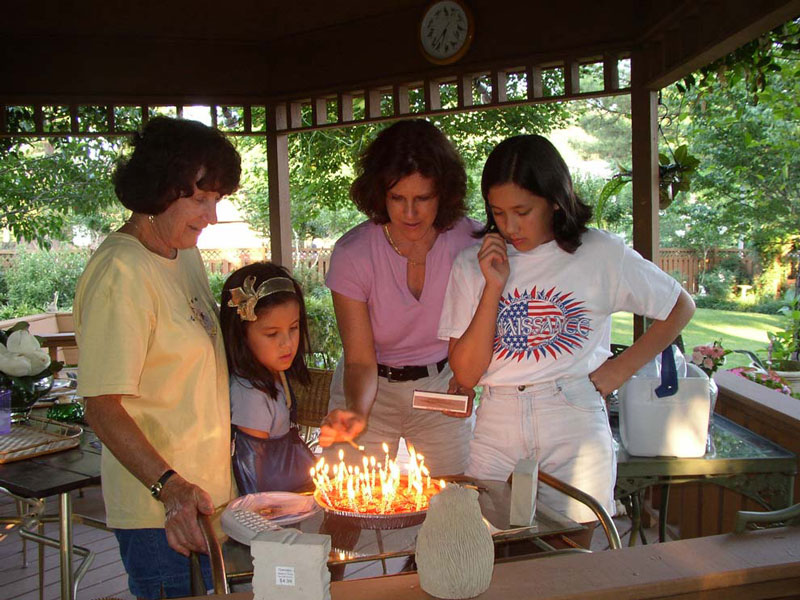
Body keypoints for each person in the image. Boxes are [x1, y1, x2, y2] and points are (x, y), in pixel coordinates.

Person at [438, 135, 695, 546]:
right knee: (482, 549)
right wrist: (493, 286)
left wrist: (619, 369)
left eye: (523, 211)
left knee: (571, 554)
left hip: (572, 411)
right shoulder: (474, 262)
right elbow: (466, 374)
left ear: (556, 199)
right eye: (499, 212)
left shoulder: (598, 253)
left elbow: (679, 306)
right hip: (498, 417)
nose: (510, 226)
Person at [74, 116, 241, 598]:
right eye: (201, 198)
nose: (211, 215)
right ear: (161, 190)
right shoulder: (121, 273)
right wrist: (170, 489)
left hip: (206, 501)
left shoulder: (180, 253)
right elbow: (102, 407)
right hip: (160, 514)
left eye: (217, 200)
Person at [318, 119, 480, 476]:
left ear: (444, 193)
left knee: (455, 502)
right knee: (348, 504)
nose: (410, 213)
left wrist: (468, 383)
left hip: (440, 384)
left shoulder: (470, 242)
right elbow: (360, 360)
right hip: (368, 386)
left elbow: (486, 327)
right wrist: (357, 414)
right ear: (379, 194)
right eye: (397, 198)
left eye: (422, 199)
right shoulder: (354, 253)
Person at [220, 262, 314, 494]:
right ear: (242, 335)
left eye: (293, 328)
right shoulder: (250, 394)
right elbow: (252, 472)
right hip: (267, 515)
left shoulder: (275, 376)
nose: (287, 343)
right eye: (272, 334)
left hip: (283, 506)